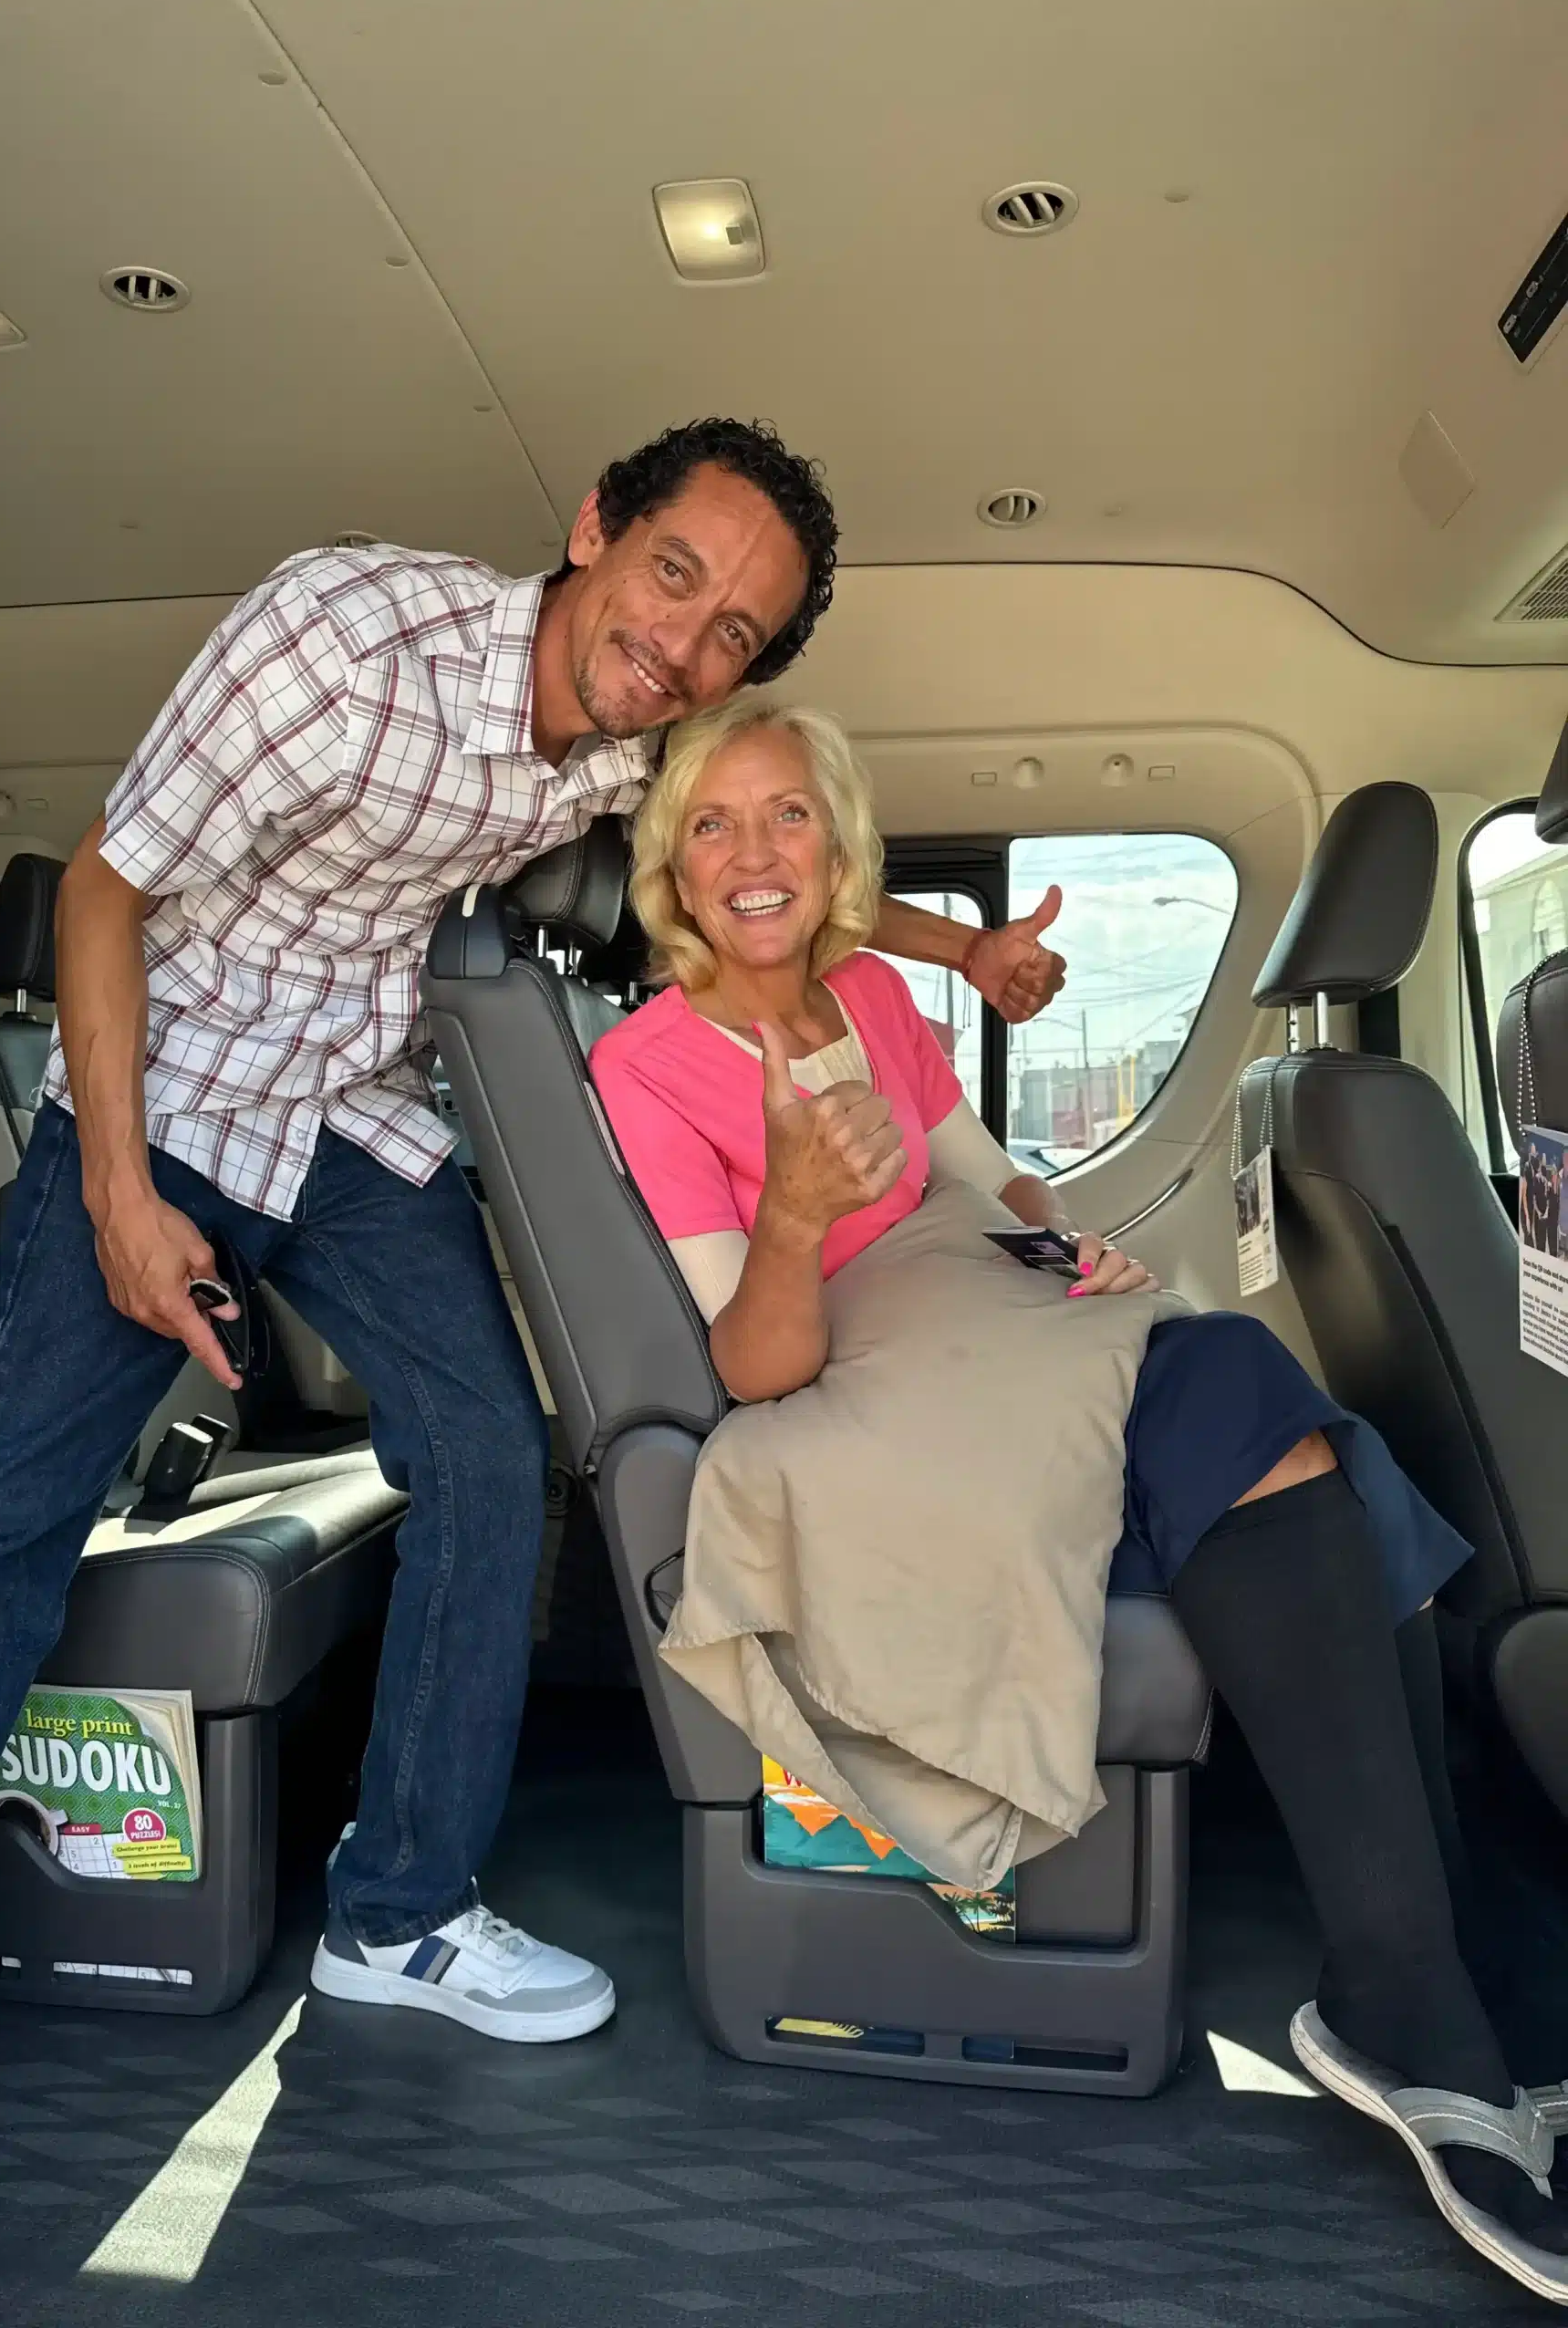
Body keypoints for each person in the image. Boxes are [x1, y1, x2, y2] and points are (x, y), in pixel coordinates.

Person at [0, 419, 1072, 2324]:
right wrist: (118, 1196)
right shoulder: (342, 641)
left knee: (496, 1461)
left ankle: (395, 1915)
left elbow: (772, 876)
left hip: (344, 1118)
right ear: (592, 531)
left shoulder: (645, 735)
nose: (684, 646)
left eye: (738, 632)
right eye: (671, 579)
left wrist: (958, 946)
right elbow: (102, 887)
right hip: (162, 1095)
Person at [588, 694, 1568, 2307]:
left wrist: (1071, 1248)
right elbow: (754, 1367)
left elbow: (987, 1183)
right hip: (856, 1401)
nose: (752, 854)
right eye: (712, 822)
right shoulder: (646, 1063)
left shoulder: (879, 993)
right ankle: (1409, 1992)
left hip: (984, 1334)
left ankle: (1428, 1950)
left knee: (1298, 1426)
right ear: (672, 863)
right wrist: (793, 1213)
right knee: (1259, 1408)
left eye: (785, 818)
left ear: (833, 846)